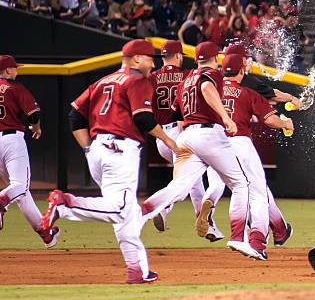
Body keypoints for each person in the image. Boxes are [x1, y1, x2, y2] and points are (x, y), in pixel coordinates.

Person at [41, 40, 184, 284]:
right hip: (120, 149)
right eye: (150, 58)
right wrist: (170, 142)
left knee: (127, 213)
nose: (153, 63)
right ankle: (64, 205)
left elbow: (74, 115)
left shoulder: (102, 81)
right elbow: (143, 119)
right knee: (119, 209)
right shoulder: (137, 80)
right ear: (137, 58)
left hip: (97, 150)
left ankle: (138, 270)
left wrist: (87, 148)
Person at [139, 42, 267, 260]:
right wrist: (226, 117)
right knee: (241, 184)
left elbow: (174, 115)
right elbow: (207, 88)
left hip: (186, 135)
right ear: (215, 57)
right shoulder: (213, 74)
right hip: (209, 134)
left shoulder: (186, 78)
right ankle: (237, 237)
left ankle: (140, 213)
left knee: (179, 186)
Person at [218, 54, 295, 246]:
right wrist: (286, 123)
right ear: (242, 70)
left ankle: (275, 230)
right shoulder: (246, 91)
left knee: (242, 189)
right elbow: (270, 120)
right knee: (258, 193)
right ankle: (257, 241)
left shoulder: (210, 89)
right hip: (239, 143)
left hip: (214, 146)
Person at [148, 41, 217, 239]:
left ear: (163, 58)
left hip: (161, 137)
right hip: (182, 132)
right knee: (191, 178)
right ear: (178, 56)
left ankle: (207, 226)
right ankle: (163, 206)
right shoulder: (188, 76)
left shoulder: (152, 78)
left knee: (192, 180)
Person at [0, 55, 59, 248]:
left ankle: (45, 233)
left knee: (21, 192)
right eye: (14, 68)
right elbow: (33, 114)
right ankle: (1, 201)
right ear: (7, 70)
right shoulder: (15, 87)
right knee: (19, 185)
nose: (17, 71)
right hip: (11, 140)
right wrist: (36, 127)